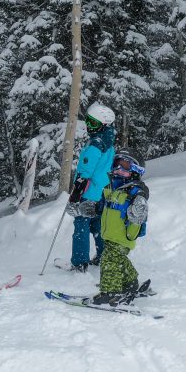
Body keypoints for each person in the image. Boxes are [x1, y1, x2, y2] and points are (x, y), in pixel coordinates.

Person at [71, 150, 149, 305]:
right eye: (117, 164)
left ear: (136, 170)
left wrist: (139, 206)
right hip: (110, 234)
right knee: (116, 258)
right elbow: (102, 206)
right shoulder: (112, 187)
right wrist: (91, 208)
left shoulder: (135, 189)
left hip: (124, 234)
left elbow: (142, 199)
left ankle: (111, 292)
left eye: (125, 165)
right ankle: (130, 282)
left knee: (108, 260)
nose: (119, 168)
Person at [64, 102, 116, 272]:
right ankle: (104, 257)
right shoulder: (109, 142)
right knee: (97, 225)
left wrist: (76, 192)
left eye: (93, 123)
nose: (89, 126)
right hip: (102, 191)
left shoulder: (96, 143)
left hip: (89, 192)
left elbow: (86, 170)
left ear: (104, 125)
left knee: (81, 224)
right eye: (88, 122)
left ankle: (79, 262)